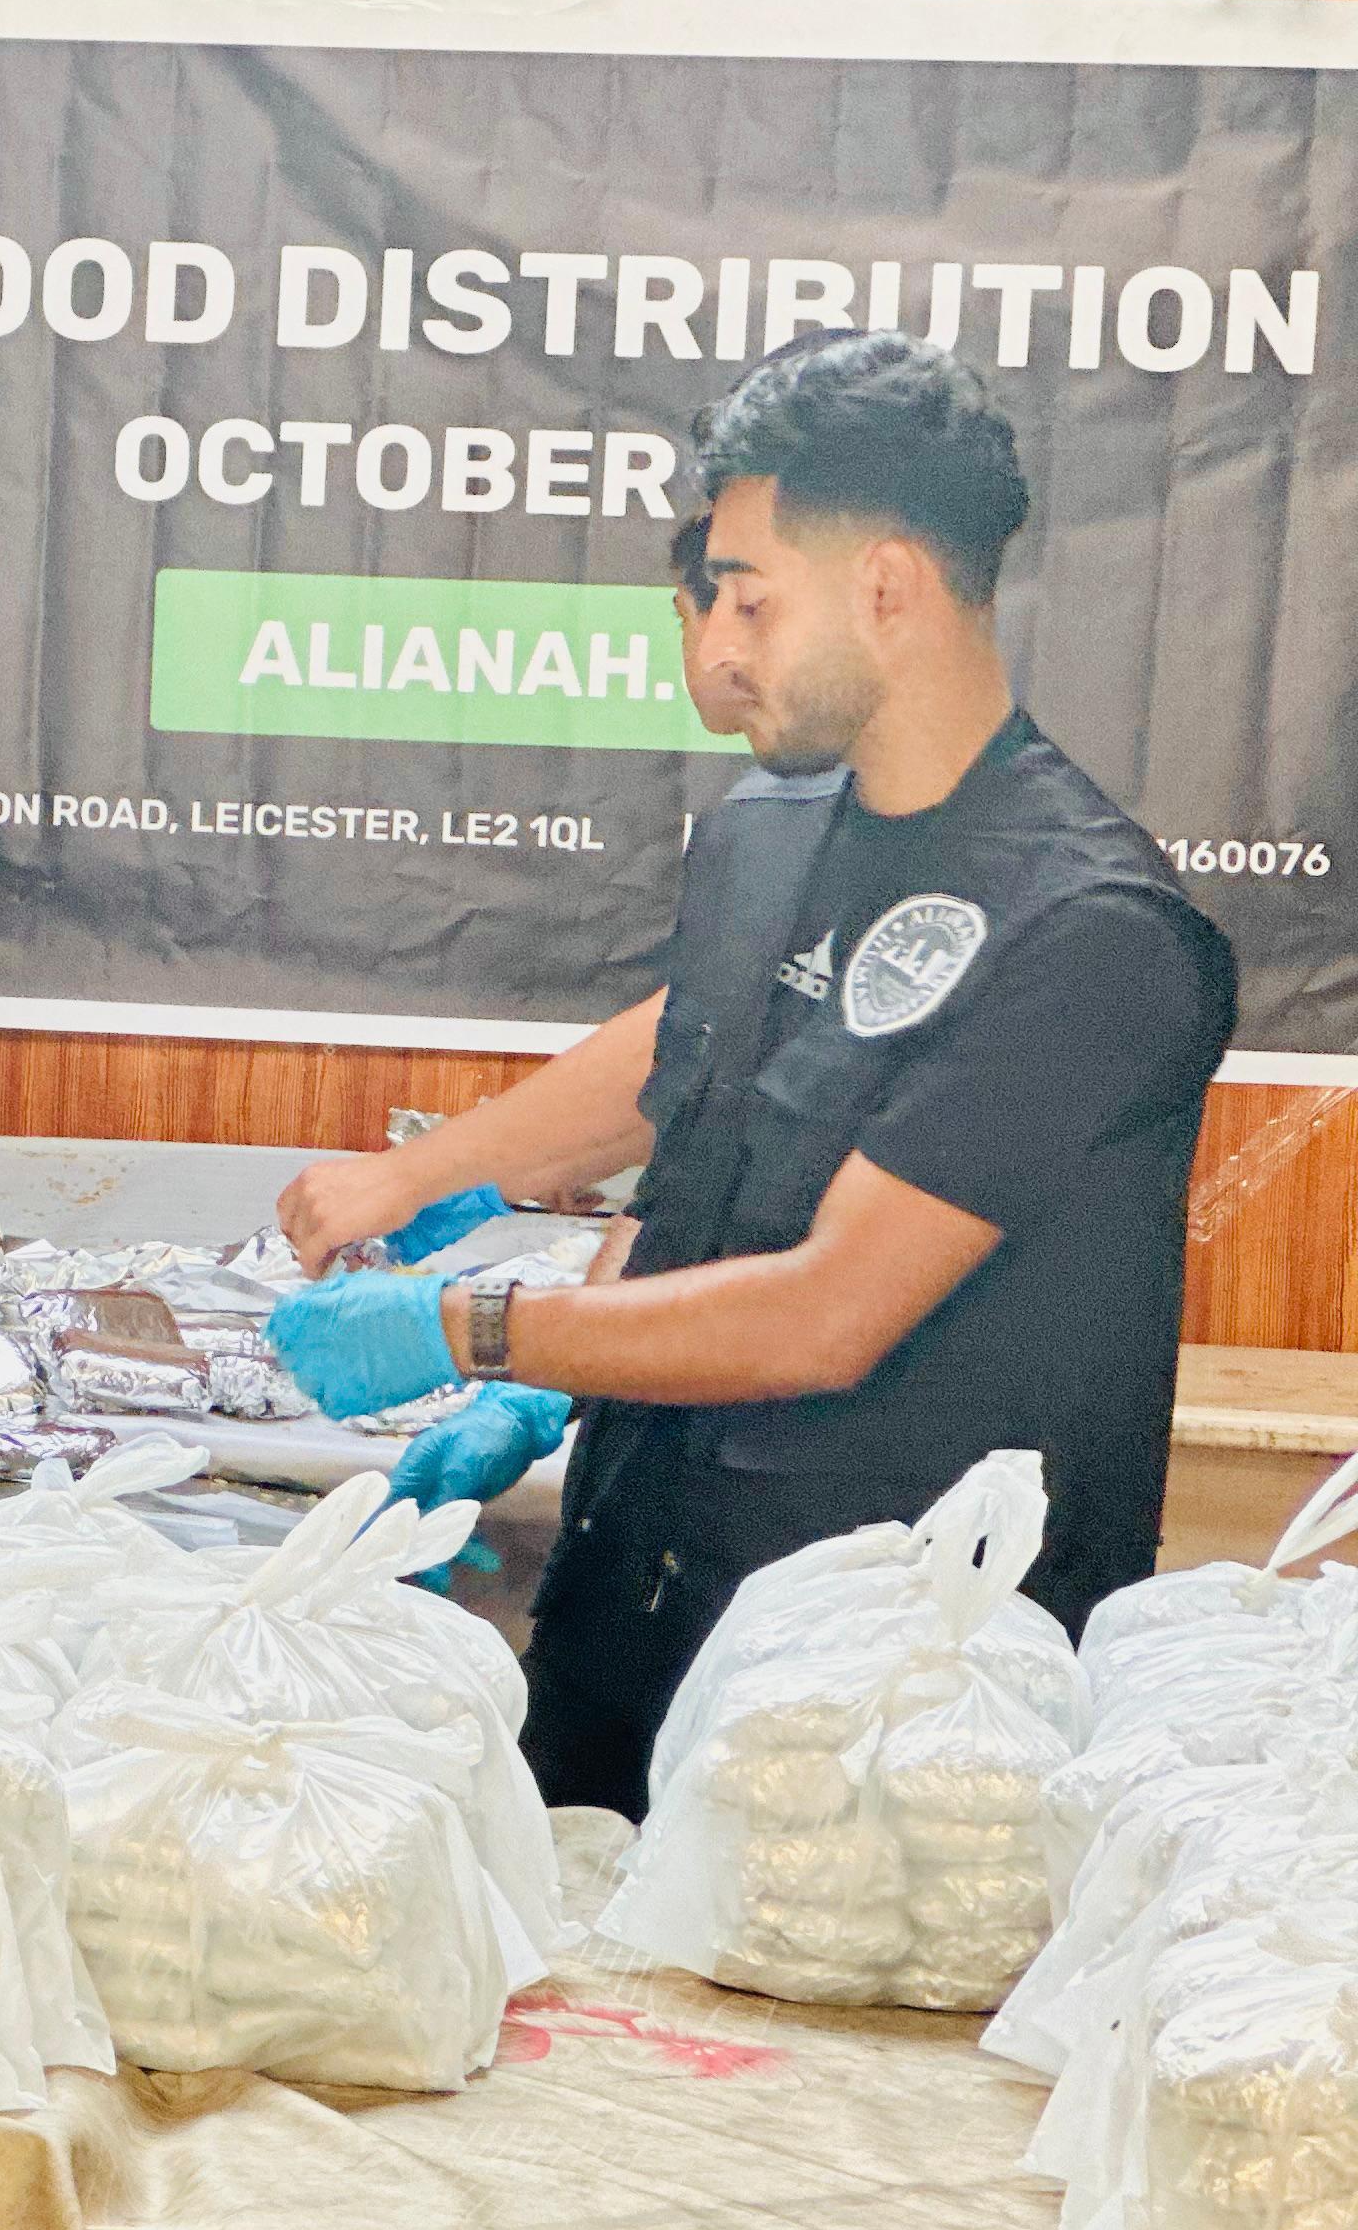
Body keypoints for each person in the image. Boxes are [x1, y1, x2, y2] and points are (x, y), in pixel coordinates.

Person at [264, 332, 1234, 1815]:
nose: (720, 649)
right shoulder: (770, 830)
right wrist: (532, 1366)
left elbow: (830, 1310)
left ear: (889, 587)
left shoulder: (1095, 935)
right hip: (634, 1610)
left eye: (751, 598)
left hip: (887, 1728)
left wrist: (477, 1331)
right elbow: (693, 1101)